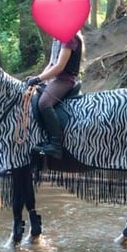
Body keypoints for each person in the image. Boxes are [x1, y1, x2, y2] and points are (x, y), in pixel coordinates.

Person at [26, 31, 84, 159]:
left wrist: (38, 79)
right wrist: (38, 78)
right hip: (55, 79)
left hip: (66, 80)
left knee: (44, 103)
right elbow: (51, 63)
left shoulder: (69, 37)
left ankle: (55, 145)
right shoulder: (58, 38)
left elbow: (60, 66)